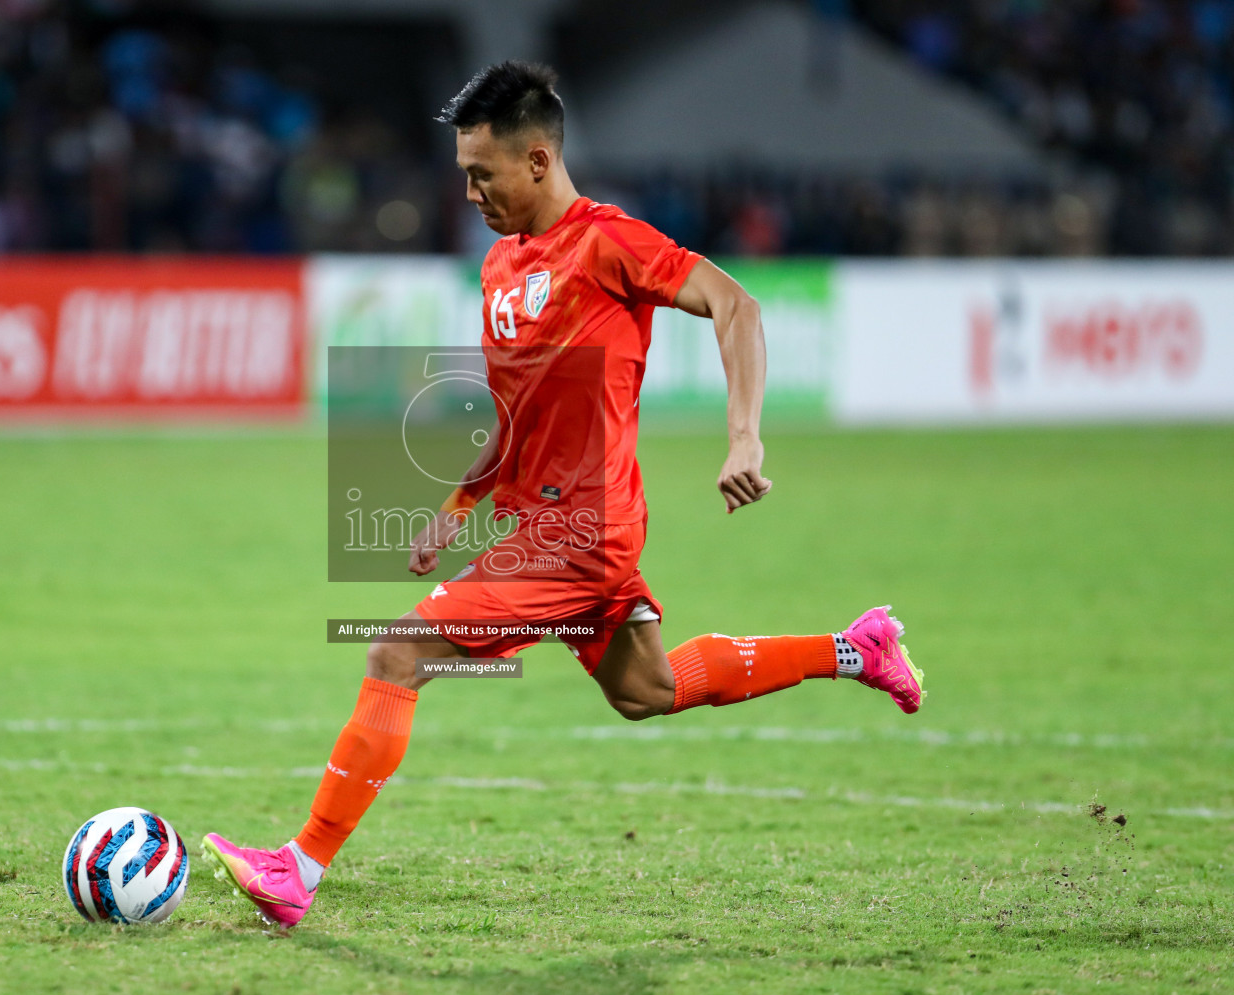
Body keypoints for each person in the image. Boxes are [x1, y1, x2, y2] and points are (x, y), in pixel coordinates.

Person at [204, 61, 924, 929]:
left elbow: (737, 308)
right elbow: (513, 411)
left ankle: (298, 871)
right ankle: (860, 649)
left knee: (395, 654)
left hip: (584, 532)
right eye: (463, 174)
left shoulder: (609, 242)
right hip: (552, 520)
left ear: (538, 162)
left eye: (482, 173)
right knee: (646, 690)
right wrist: (460, 508)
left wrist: (745, 436)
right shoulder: (501, 267)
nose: (469, 192)